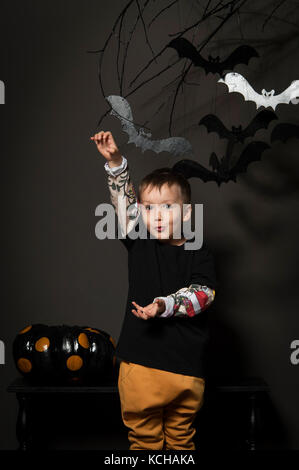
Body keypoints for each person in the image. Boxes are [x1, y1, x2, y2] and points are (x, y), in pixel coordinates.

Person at [90, 130, 218, 450]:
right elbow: (123, 205)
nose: (156, 216)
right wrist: (117, 163)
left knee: (181, 442)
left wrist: (164, 305)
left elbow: (204, 294)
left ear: (186, 213)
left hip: (187, 370)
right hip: (141, 365)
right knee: (145, 443)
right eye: (148, 208)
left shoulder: (199, 251)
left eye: (166, 208)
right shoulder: (140, 242)